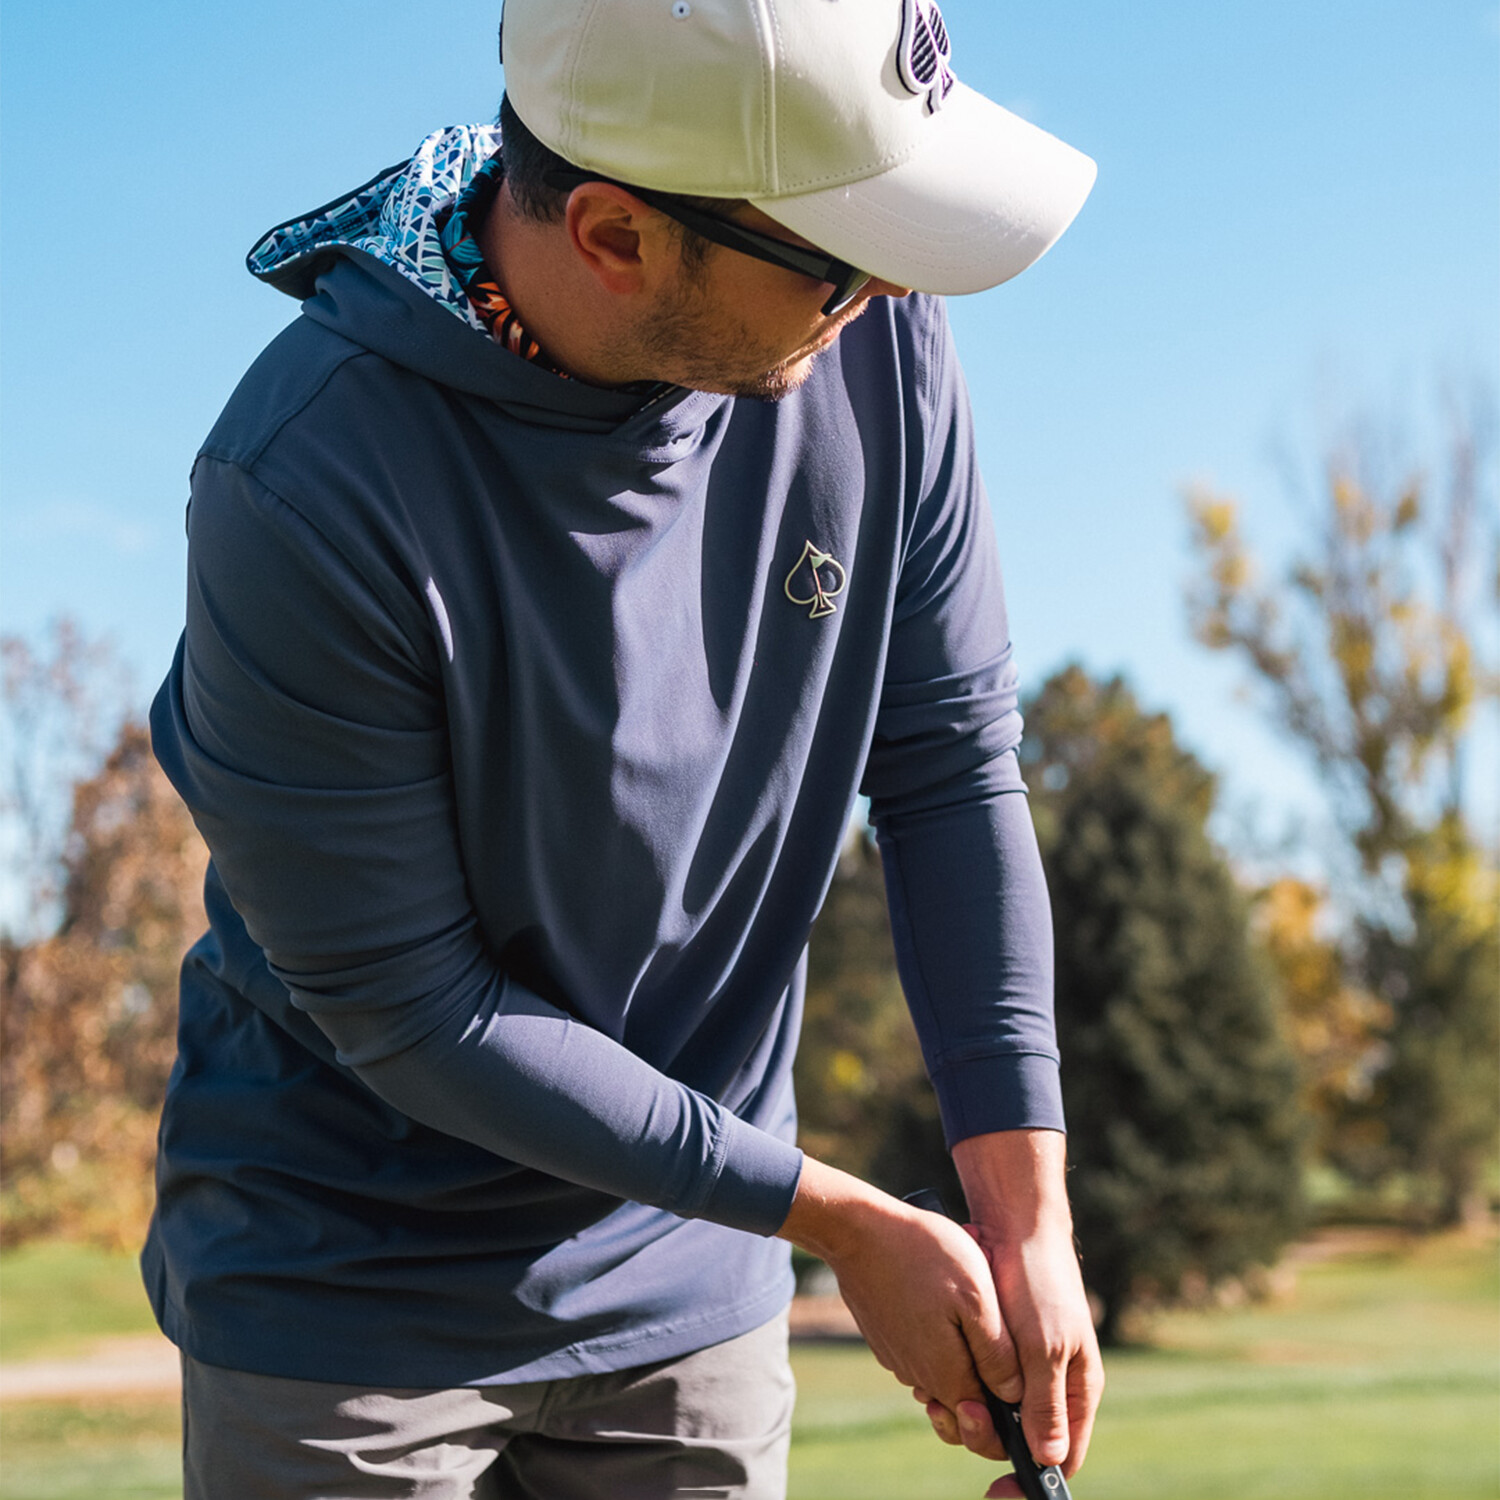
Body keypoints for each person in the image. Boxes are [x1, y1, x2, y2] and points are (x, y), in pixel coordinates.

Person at [145, 1, 1104, 1495]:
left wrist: (1024, 1213)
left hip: (695, 1277)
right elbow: (419, 1009)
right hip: (350, 1289)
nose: (884, 292)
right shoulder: (304, 484)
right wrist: (840, 1219)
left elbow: (947, 762)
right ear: (613, 234)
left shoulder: (878, 337)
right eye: (837, 256)